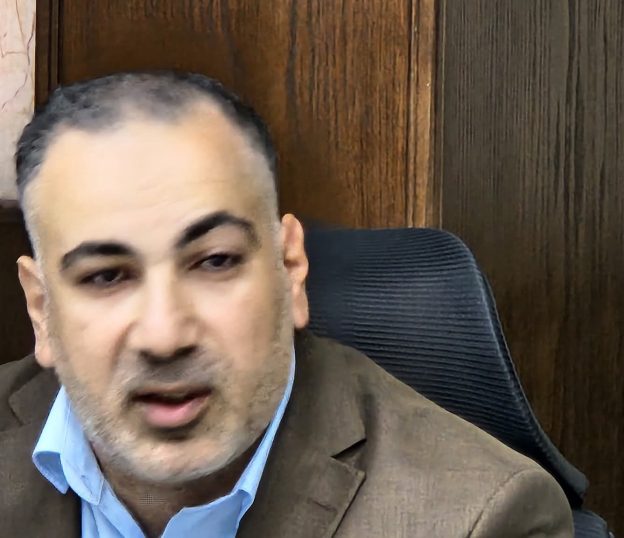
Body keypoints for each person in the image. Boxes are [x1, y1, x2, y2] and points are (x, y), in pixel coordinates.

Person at [0, 72, 573, 537]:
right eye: (105, 276)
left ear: (290, 270)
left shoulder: (479, 519)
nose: (165, 335)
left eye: (215, 261)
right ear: (41, 309)